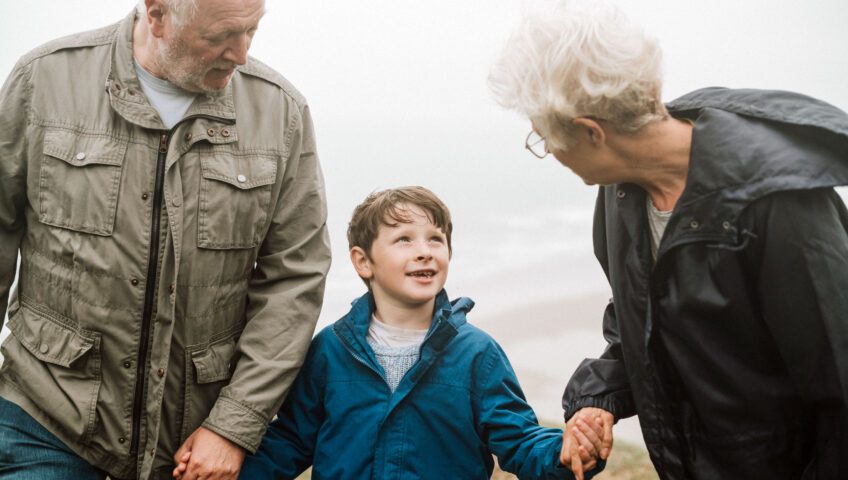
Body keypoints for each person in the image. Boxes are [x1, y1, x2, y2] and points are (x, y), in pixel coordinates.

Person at [489, 2, 848, 479]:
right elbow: (644, 320)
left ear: (590, 132)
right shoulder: (621, 191)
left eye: (544, 139)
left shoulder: (776, 202)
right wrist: (601, 399)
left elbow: (841, 386)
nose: (548, 152)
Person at [0, 0, 331, 479]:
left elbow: (294, 280)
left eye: (251, 32)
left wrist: (234, 426)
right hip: (43, 417)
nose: (239, 54)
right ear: (156, 15)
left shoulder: (281, 112)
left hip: (196, 444)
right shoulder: (42, 80)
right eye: (221, 35)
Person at [226, 186, 608, 479]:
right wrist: (225, 464)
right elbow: (291, 440)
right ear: (363, 262)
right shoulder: (330, 349)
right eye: (404, 239)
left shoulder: (477, 354)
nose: (424, 251)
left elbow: (520, 438)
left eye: (435, 239)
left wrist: (565, 451)